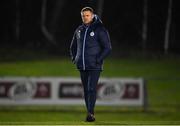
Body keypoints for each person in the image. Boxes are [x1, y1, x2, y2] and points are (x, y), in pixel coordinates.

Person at [70, 7, 112, 122]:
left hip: (95, 66)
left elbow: (107, 48)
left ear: (92, 15)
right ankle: (89, 112)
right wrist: (75, 58)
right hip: (82, 65)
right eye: (83, 16)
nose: (85, 18)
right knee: (86, 90)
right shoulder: (79, 30)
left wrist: (98, 60)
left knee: (91, 88)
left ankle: (90, 113)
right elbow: (73, 46)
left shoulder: (100, 29)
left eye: (87, 15)